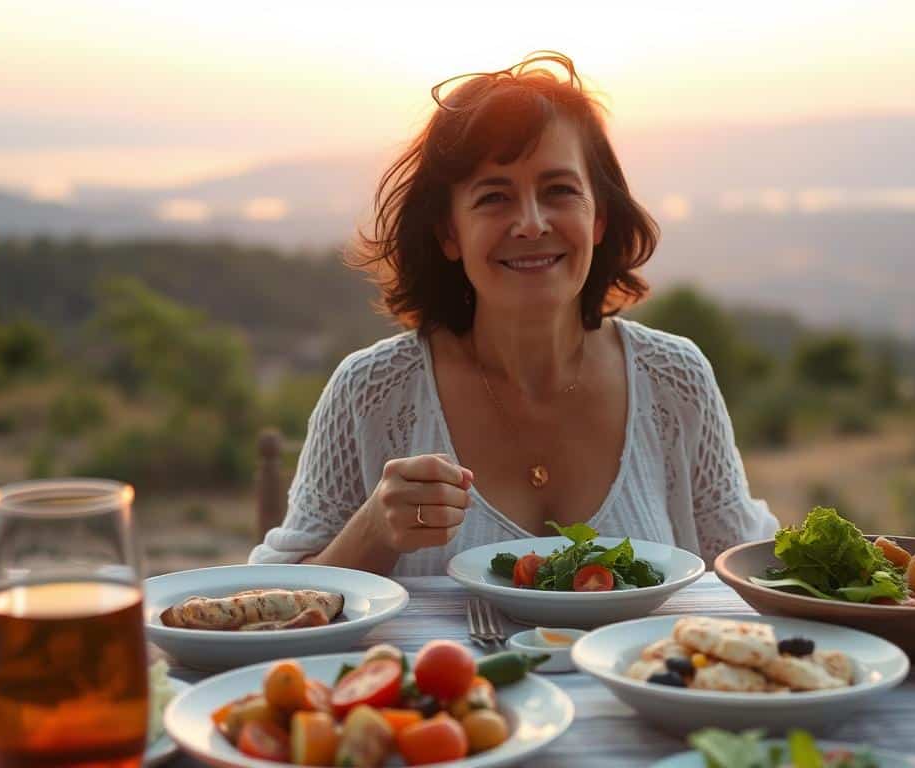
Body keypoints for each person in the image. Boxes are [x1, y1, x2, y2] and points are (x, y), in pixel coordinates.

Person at [251, 51, 777, 576]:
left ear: (599, 217)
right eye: (494, 197)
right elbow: (278, 603)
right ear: (448, 233)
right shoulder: (368, 393)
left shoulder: (676, 377)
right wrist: (373, 529)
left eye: (559, 191)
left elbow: (748, 571)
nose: (530, 223)